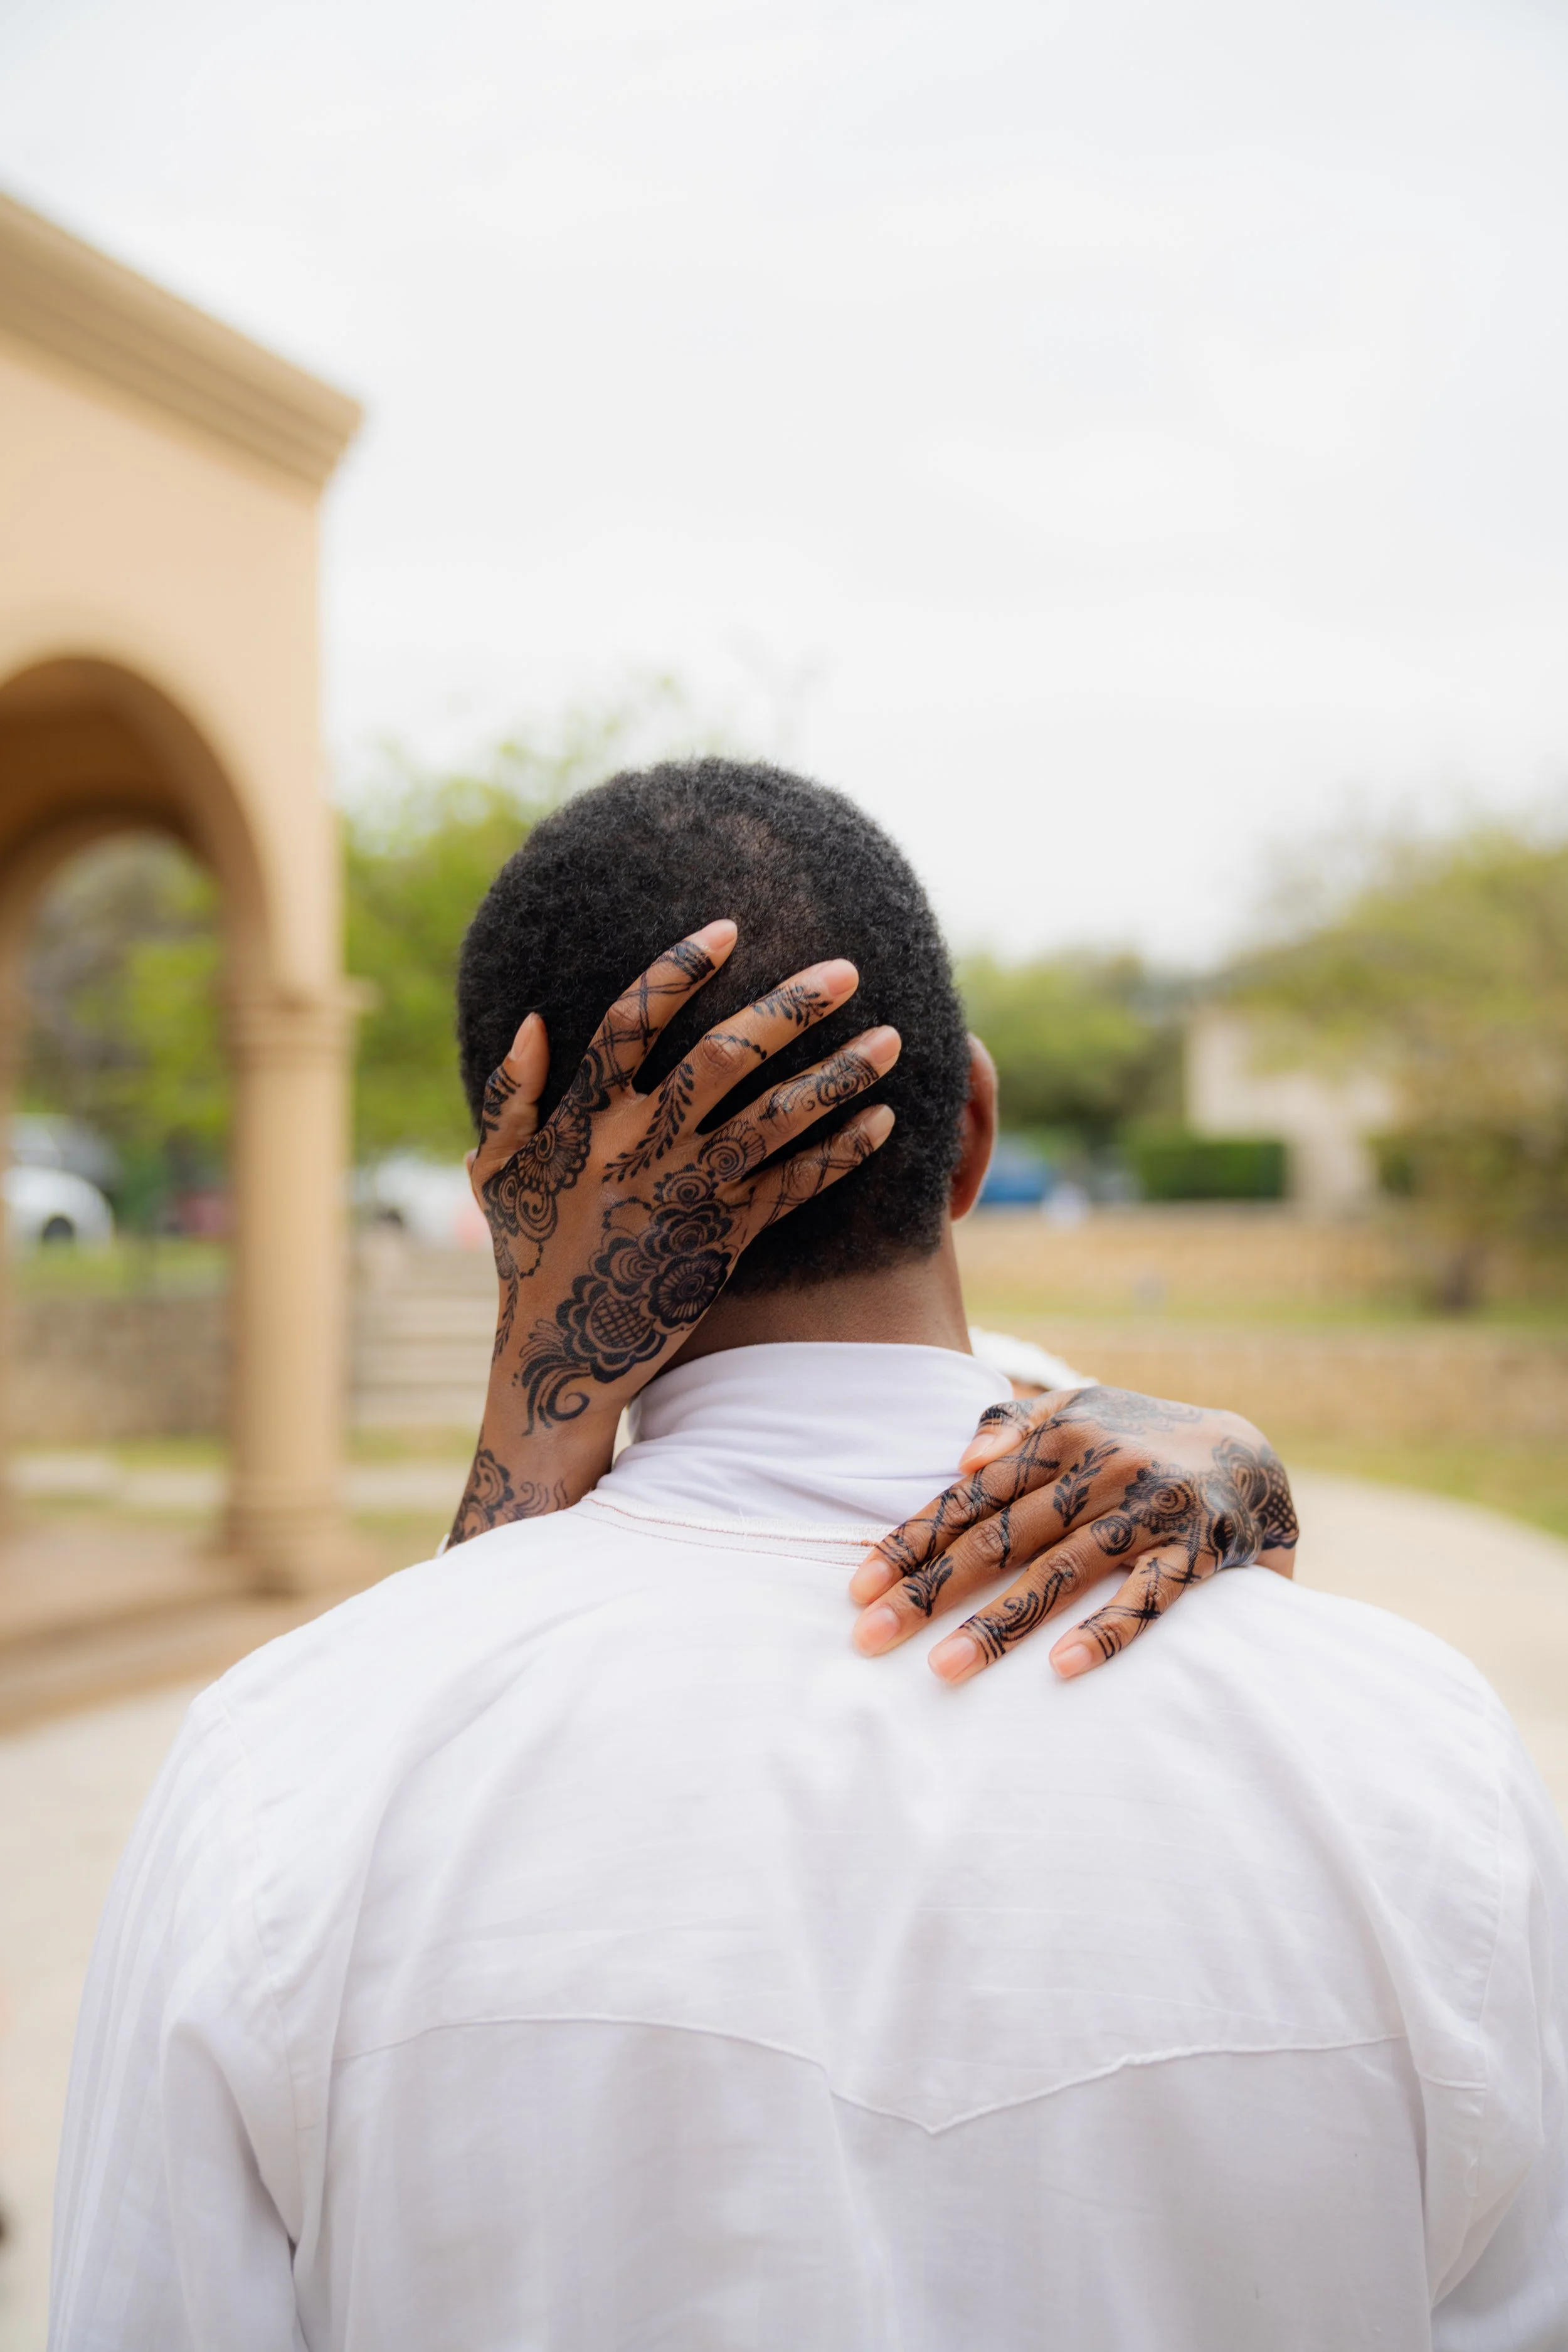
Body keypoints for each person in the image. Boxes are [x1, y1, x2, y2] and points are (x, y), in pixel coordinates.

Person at [51, 762, 1567, 2349]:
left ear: (503, 1196)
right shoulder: (1420, 1753)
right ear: (969, 1129)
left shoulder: (289, 1777)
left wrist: (538, 1387)